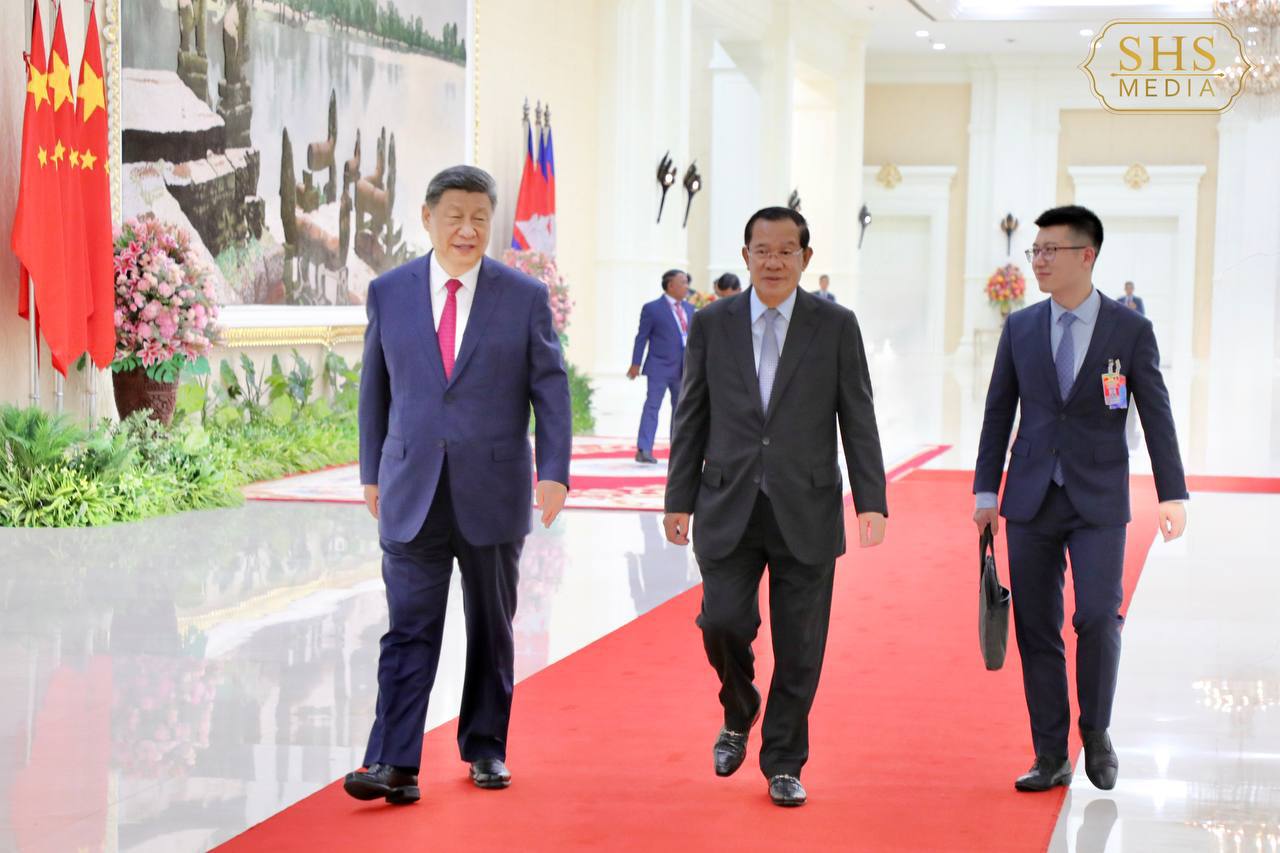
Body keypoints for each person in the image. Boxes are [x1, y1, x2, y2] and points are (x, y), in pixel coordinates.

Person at [346, 165, 572, 805]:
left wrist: (554, 471)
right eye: (455, 217)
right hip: (410, 486)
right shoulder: (389, 292)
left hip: (493, 489)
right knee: (408, 628)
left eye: (479, 218)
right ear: (427, 219)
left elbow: (550, 388)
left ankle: (486, 747)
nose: (467, 230)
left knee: (491, 627)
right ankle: (393, 762)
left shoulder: (522, 296)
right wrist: (372, 472)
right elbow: (375, 390)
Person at [663, 206, 887, 807]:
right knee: (722, 623)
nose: (774, 261)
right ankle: (739, 708)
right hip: (727, 502)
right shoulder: (712, 324)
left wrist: (871, 499)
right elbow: (691, 414)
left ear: (805, 258)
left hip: (806, 505)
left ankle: (784, 761)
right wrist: (678, 498)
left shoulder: (835, 325)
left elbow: (857, 414)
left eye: (787, 251)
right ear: (745, 256)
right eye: (762, 250)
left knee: (800, 646)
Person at [973, 205, 1187, 795]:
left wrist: (1171, 492)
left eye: (1050, 251)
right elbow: (998, 411)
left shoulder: (1129, 329)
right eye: (1035, 251)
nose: (1038, 261)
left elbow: (1156, 412)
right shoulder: (1020, 328)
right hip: (1031, 496)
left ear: (1086, 256)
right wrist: (987, 488)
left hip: (1098, 498)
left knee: (1097, 616)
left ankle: (1096, 732)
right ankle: (1050, 753)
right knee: (1036, 627)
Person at [628, 269, 696, 464]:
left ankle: (679, 450)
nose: (686, 287)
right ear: (670, 285)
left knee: (680, 410)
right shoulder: (652, 309)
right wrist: (636, 363)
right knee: (652, 406)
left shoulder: (690, 309)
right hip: (659, 367)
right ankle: (644, 449)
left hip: (683, 368)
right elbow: (641, 337)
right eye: (683, 282)